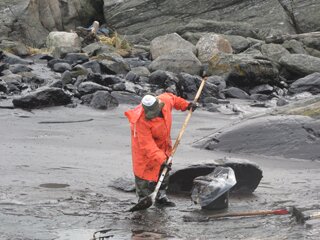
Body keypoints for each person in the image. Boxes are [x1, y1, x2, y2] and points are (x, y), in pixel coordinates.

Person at [124, 92, 197, 207]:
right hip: (143, 149)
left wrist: (186, 105)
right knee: (143, 174)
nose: (152, 115)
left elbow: (174, 99)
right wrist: (161, 159)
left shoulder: (165, 101)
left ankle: (161, 196)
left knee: (164, 170)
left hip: (163, 144)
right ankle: (143, 199)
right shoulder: (139, 121)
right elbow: (147, 145)